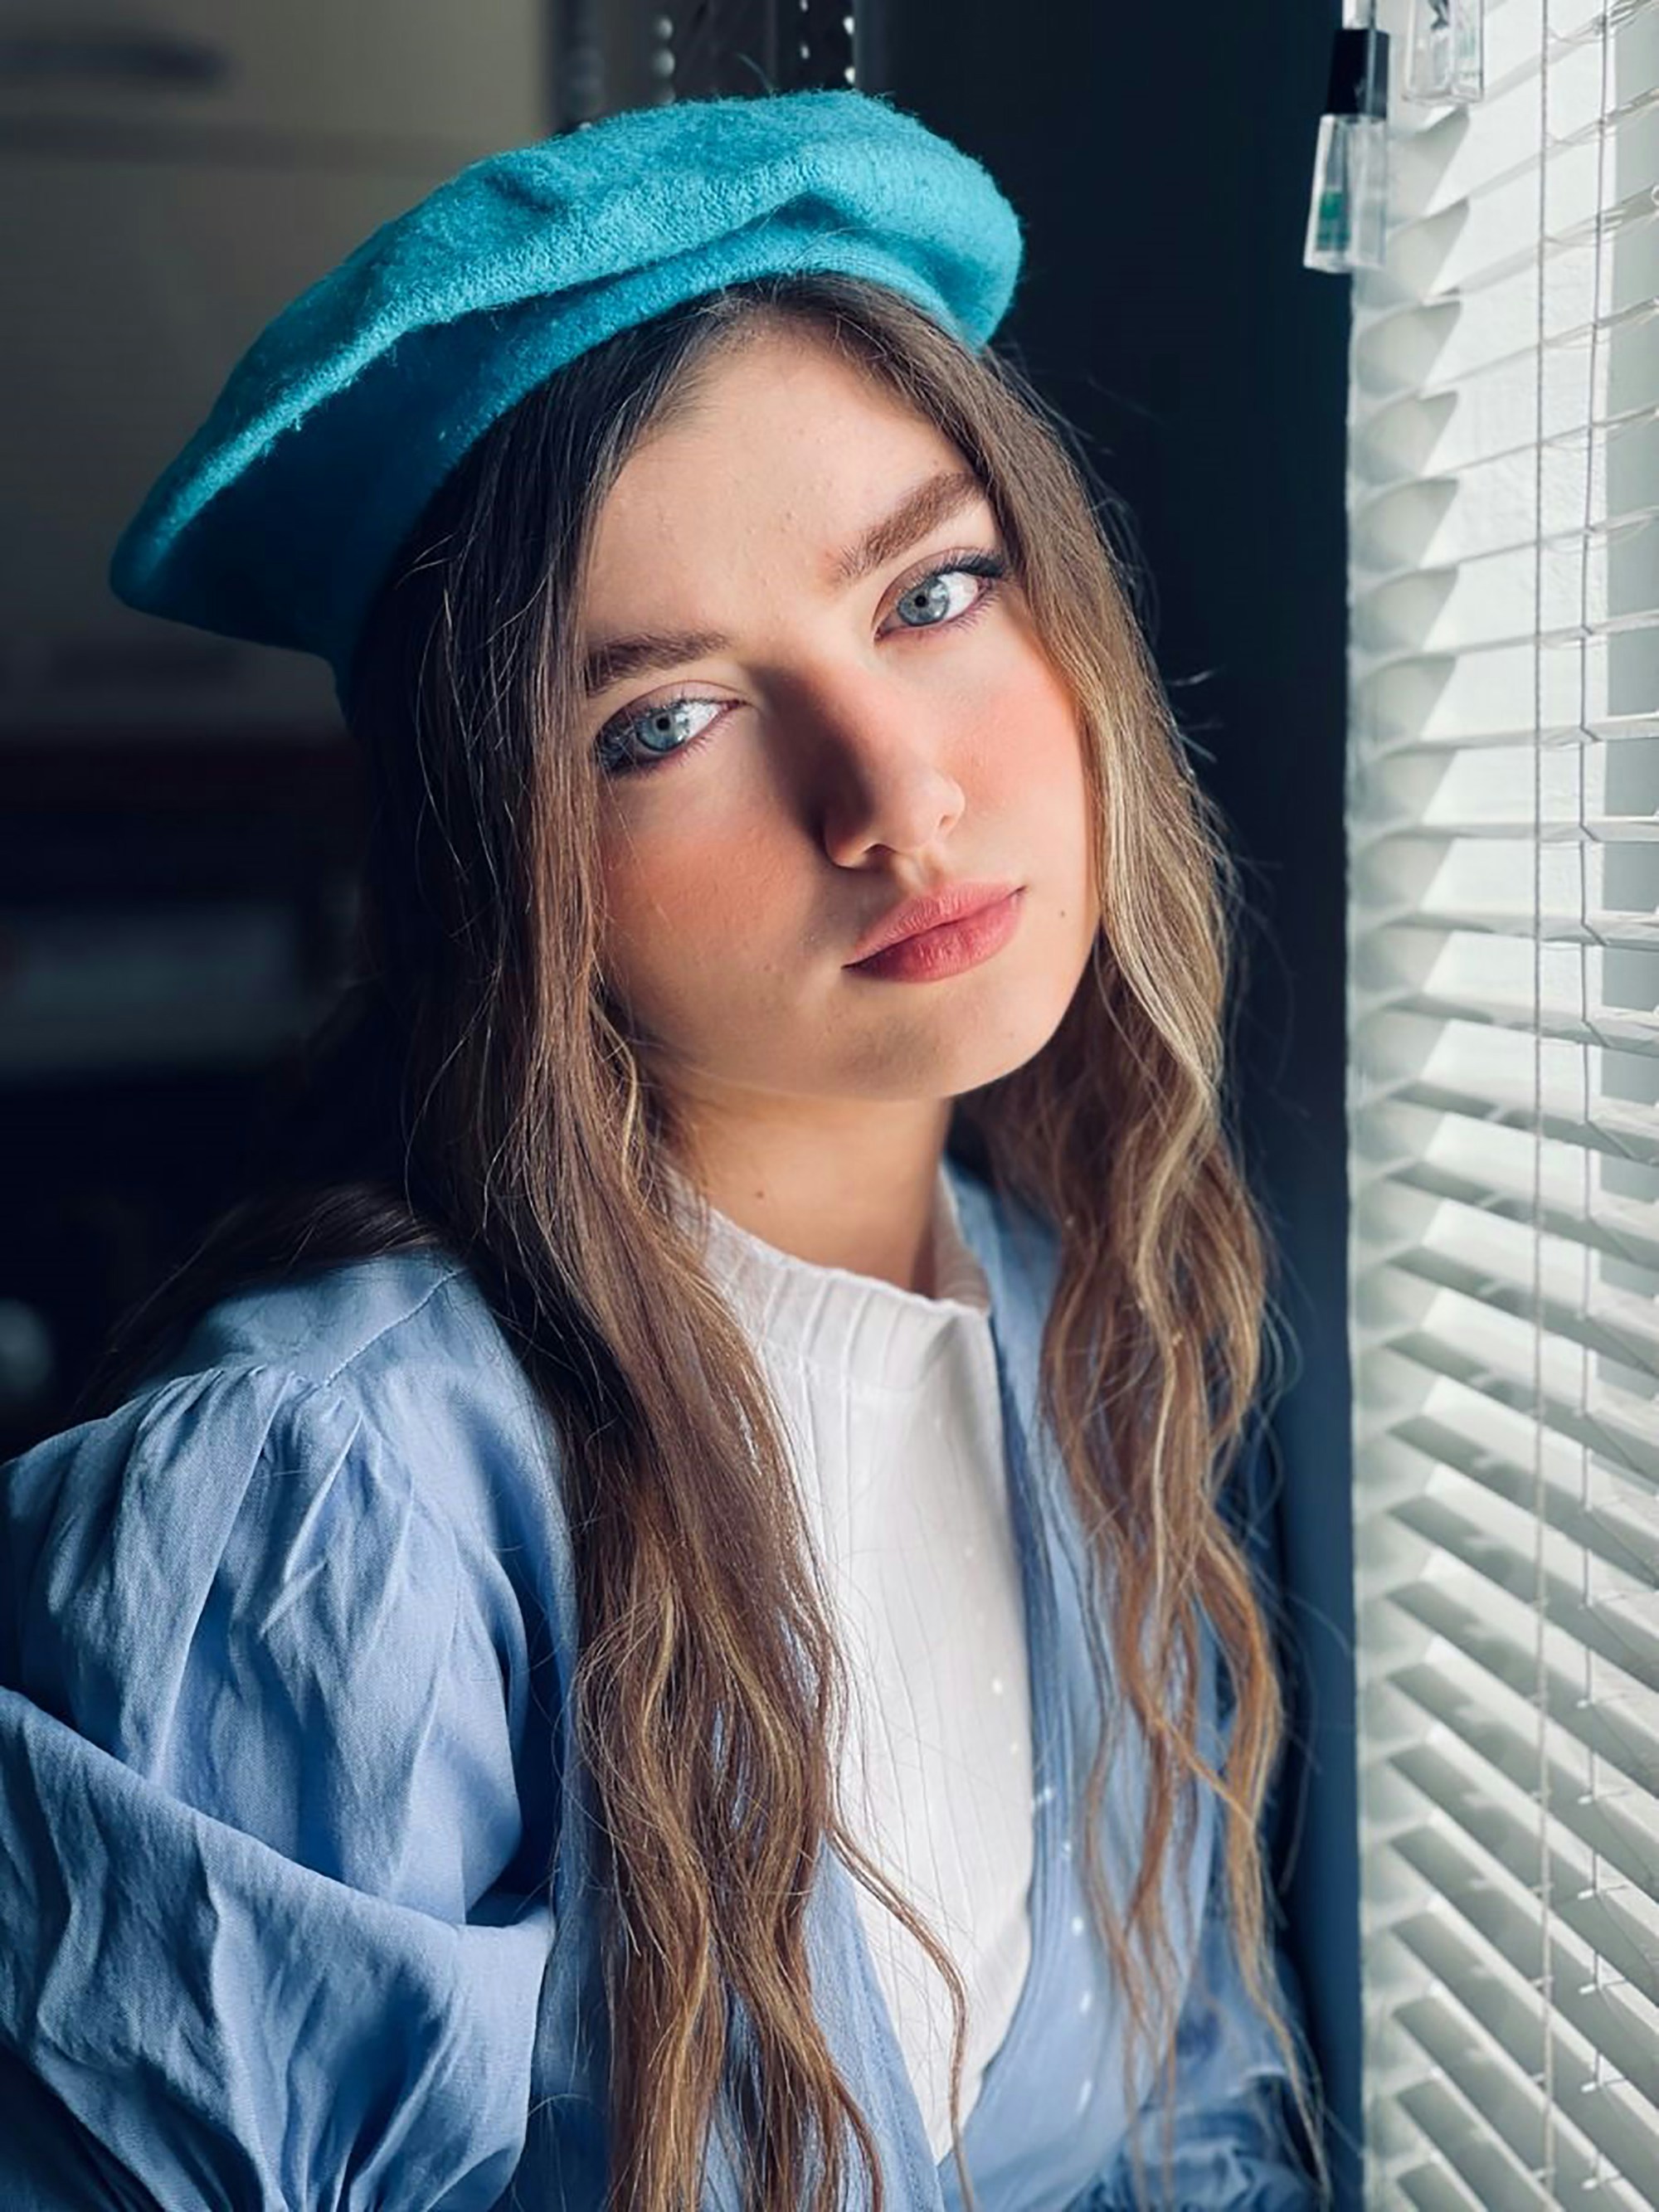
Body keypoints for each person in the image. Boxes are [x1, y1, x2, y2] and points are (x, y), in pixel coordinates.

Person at [0, 87, 1329, 2212]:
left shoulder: (1099, 1337)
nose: (893, 797)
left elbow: (1193, 2131)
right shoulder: (329, 1513)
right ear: (510, 871)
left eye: (933, 589)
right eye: (667, 722)